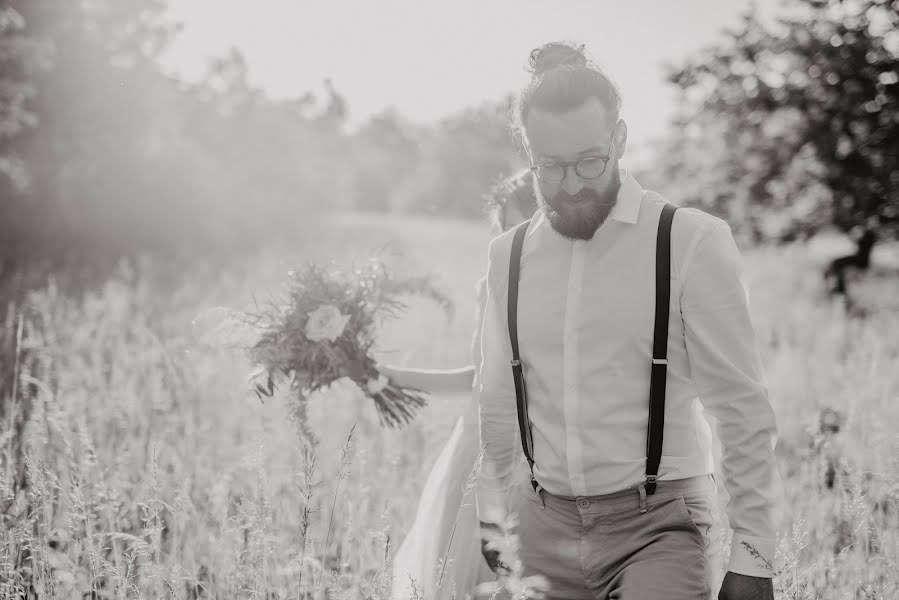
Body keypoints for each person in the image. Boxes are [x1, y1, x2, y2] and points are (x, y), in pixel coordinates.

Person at [476, 42, 784, 600]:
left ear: (619, 138)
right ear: (528, 152)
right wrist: (493, 518)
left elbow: (740, 409)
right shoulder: (508, 256)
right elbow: (498, 402)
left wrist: (755, 555)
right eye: (550, 166)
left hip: (661, 526)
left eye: (590, 161)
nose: (571, 184)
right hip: (540, 526)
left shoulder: (690, 241)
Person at [382, 171, 538, 600]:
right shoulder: (489, 286)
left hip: (543, 453)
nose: (513, 240)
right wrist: (394, 377)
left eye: (525, 226)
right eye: (504, 229)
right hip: (480, 448)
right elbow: (480, 375)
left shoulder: (575, 290)